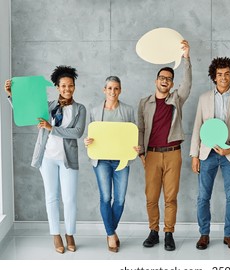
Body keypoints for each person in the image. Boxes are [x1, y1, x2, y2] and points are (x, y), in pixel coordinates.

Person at [4, 66, 86, 254]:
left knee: (70, 199)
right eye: (63, 86)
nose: (67, 89)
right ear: (57, 87)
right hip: (47, 158)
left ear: (74, 87)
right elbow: (25, 110)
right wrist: (11, 95)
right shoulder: (47, 106)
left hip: (68, 160)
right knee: (52, 197)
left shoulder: (80, 109)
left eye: (71, 86)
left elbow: (77, 132)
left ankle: (70, 234)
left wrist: (51, 127)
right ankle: (56, 234)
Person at [190, 57, 230, 250]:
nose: (223, 78)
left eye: (226, 74)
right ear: (214, 77)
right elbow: (197, 127)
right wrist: (194, 155)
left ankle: (229, 235)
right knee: (203, 197)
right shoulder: (204, 98)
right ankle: (204, 234)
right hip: (207, 154)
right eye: (219, 74)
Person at [137, 40, 191, 251]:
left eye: (169, 79)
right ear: (156, 80)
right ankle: (153, 231)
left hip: (172, 154)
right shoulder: (144, 102)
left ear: (171, 83)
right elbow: (140, 128)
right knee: (151, 196)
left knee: (170, 197)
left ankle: (169, 233)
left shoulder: (176, 99)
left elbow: (187, 84)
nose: (165, 81)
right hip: (151, 155)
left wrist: (186, 58)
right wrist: (141, 152)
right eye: (162, 78)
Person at [84, 76, 137, 253]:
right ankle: (111, 235)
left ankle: (109, 231)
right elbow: (92, 135)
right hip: (101, 160)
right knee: (106, 197)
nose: (113, 92)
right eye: (109, 88)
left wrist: (136, 147)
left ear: (120, 90)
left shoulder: (128, 111)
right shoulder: (94, 111)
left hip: (121, 159)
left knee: (120, 199)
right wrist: (88, 141)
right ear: (104, 90)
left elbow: (132, 134)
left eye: (116, 88)